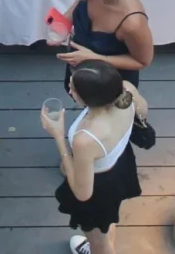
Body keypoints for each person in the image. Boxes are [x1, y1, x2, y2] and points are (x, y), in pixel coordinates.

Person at [45, 62, 150, 254]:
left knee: (98, 242)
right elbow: (143, 112)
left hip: (100, 187)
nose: (69, 88)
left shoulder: (86, 138)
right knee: (106, 220)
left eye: (73, 87)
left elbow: (82, 193)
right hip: (121, 164)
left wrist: (58, 136)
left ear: (87, 99)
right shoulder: (127, 89)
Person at [59, 0, 154, 86]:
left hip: (109, 81)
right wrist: (60, 26)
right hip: (80, 63)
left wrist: (95, 58)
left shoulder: (132, 23)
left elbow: (143, 61)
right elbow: (74, 11)